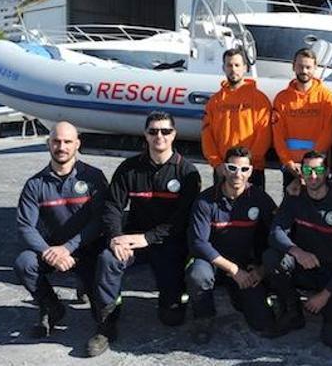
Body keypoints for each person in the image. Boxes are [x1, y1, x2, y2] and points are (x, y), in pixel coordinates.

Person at [87, 111, 201, 357]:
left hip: (170, 244)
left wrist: (148, 238)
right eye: (153, 131)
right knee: (108, 260)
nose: (159, 136)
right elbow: (113, 207)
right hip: (132, 241)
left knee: (171, 318)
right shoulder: (129, 169)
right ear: (145, 135)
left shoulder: (187, 172)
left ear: (174, 135)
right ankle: (107, 321)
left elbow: (181, 220)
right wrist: (115, 237)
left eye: (165, 131)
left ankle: (172, 300)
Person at [13, 121, 109, 338]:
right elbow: (25, 226)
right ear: (49, 144)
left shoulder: (94, 177)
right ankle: (52, 307)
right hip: (54, 249)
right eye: (56, 141)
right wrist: (50, 252)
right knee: (25, 263)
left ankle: (89, 289)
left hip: (88, 248)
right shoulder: (35, 184)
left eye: (67, 141)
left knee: (101, 315)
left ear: (77, 144)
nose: (61, 147)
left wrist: (68, 247)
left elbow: (100, 220)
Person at [262, 151, 332, 348]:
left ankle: (331, 308)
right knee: (272, 258)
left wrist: (325, 294)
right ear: (301, 173)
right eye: (307, 170)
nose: (313, 175)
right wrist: (297, 251)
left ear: (327, 172)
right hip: (304, 266)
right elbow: (276, 232)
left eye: (318, 170)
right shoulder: (295, 196)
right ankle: (293, 310)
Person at [186, 146, 278, 344]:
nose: (238, 174)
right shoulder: (205, 200)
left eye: (244, 169)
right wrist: (233, 270)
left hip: (245, 265)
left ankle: (240, 297)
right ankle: (203, 317)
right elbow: (198, 243)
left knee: (262, 321)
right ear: (224, 169)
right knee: (197, 274)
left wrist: (261, 270)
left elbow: (277, 235)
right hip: (213, 263)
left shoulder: (260, 199)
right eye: (233, 168)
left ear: (251, 171)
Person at [201, 48, 272, 187]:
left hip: (251, 169)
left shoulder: (259, 99)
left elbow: (264, 135)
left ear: (245, 68)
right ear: (224, 68)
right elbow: (207, 135)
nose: (233, 69)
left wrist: (247, 165)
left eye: (237, 65)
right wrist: (217, 164)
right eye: (229, 65)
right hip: (223, 169)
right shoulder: (214, 102)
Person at [272, 48, 332, 193]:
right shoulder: (282, 99)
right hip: (291, 167)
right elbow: (277, 135)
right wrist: (288, 163)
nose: (304, 70)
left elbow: (328, 133)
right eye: (300, 66)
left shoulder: (327, 98)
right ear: (293, 66)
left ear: (315, 68)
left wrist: (309, 165)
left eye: (308, 67)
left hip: (316, 168)